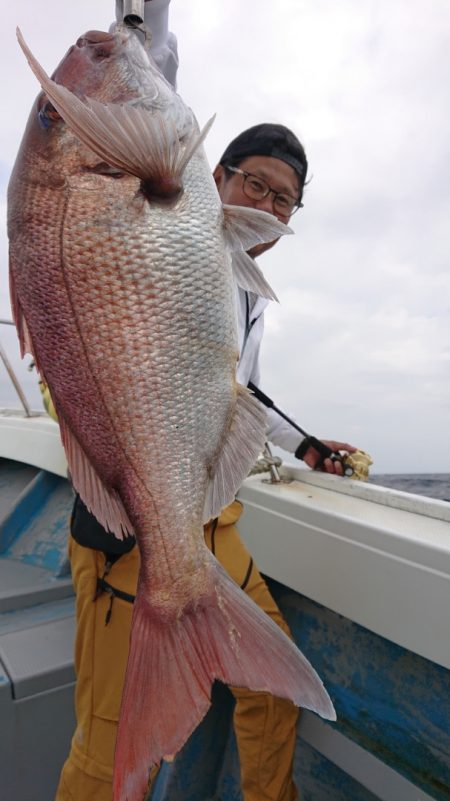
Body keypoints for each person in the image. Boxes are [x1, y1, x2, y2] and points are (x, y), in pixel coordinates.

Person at [55, 4, 357, 801]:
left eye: (284, 196)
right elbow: (152, 82)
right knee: (109, 754)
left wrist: (307, 447)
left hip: (209, 523)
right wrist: (145, 36)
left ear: (291, 216)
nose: (266, 199)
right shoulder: (170, 230)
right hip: (129, 529)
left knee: (269, 697)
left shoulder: (244, 286)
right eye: (252, 180)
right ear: (212, 175)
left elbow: (238, 387)